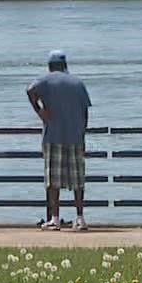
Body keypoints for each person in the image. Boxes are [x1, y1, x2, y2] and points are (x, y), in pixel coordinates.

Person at [25, 49, 92, 231]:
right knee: (78, 180)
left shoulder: (45, 80)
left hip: (53, 136)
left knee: (53, 179)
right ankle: (79, 217)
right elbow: (85, 111)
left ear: (49, 65)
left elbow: (30, 90)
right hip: (75, 136)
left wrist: (40, 111)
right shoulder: (78, 83)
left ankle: (55, 218)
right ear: (65, 65)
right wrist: (82, 132)